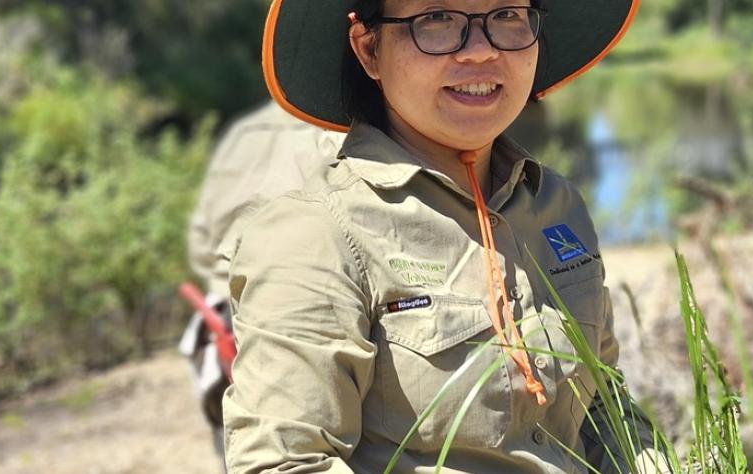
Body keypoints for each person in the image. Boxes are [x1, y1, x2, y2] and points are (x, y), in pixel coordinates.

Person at [220, 0, 664, 472]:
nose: (479, 51)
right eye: (437, 18)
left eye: (507, 15)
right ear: (369, 49)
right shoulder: (316, 233)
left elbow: (601, 407)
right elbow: (284, 462)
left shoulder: (556, 205)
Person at [180, 101, 345, 464]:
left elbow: (200, 240)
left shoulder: (244, 134)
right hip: (308, 316)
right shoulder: (344, 132)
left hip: (222, 319)